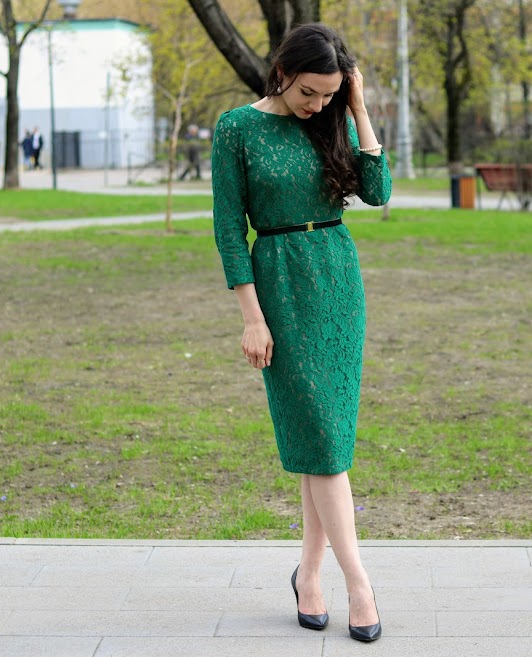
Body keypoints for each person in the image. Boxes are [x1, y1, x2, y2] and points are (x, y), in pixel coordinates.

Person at [211, 23, 390, 643]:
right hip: (279, 285)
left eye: (330, 94)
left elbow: (378, 192)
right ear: (282, 72)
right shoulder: (237, 128)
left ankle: (309, 575)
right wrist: (252, 317)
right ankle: (359, 584)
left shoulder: (334, 117)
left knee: (325, 442)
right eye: (309, 92)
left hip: (337, 280)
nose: (318, 104)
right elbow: (228, 228)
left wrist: (357, 109)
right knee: (321, 438)